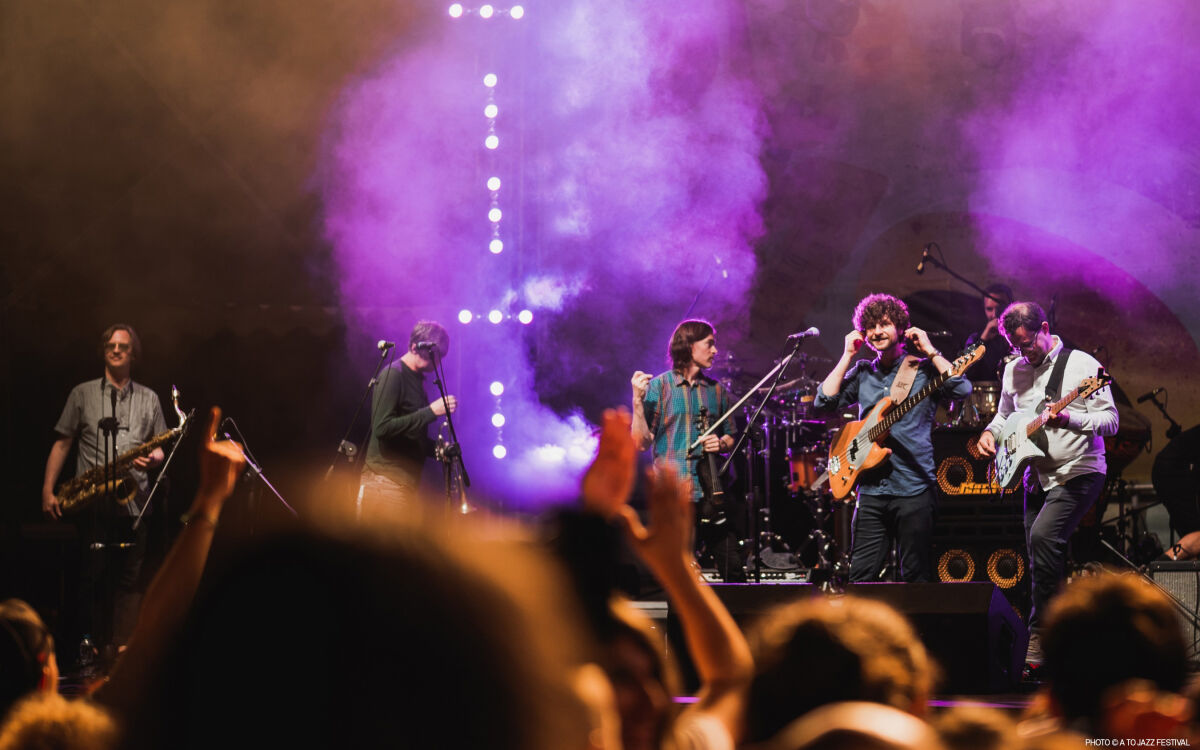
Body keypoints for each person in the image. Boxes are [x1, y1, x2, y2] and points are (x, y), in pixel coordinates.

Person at [976, 302, 1118, 670]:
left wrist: (1069, 417)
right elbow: (1005, 415)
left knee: (1042, 538)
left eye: (1028, 344)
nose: (1024, 353)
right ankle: (1065, 637)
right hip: (1037, 476)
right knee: (1038, 556)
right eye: (1016, 347)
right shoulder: (1013, 370)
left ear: (1043, 327)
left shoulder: (1083, 366)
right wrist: (991, 434)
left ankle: (1041, 635)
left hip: (1080, 469)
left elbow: (1111, 421)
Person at [813, 293, 971, 582]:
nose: (876, 332)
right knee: (861, 577)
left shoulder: (923, 370)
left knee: (915, 577)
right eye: (870, 326)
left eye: (884, 324)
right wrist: (847, 354)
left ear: (900, 328)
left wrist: (931, 351)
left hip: (914, 488)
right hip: (872, 491)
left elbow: (961, 389)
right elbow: (824, 403)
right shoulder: (862, 372)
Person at [40, 324, 167, 651]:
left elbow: (160, 449)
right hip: (94, 504)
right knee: (91, 578)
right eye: (110, 345)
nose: (116, 350)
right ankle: (89, 647)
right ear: (103, 350)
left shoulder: (150, 398)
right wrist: (47, 490)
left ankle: (123, 648)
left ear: (133, 354)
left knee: (130, 581)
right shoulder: (81, 394)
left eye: (123, 346)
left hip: (135, 504)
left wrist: (152, 459)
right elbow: (62, 443)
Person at [631, 319, 743, 580]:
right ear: (689, 346)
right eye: (710, 344)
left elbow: (730, 437)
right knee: (679, 576)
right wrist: (637, 400)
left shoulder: (717, 391)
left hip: (710, 493)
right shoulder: (659, 387)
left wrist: (721, 442)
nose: (715, 351)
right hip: (673, 493)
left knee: (734, 570)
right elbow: (640, 442)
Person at [359, 320, 457, 518]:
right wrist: (430, 412)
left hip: (401, 485)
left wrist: (438, 449)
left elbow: (408, 432)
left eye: (439, 358)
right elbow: (382, 428)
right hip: (384, 483)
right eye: (433, 357)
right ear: (414, 348)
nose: (437, 363)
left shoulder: (417, 380)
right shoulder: (393, 375)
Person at [963, 283, 1014, 382]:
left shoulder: (1020, 335)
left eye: (1000, 307)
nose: (994, 314)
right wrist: (982, 339)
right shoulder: (975, 338)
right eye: (989, 309)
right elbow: (964, 369)